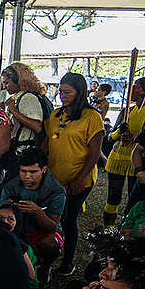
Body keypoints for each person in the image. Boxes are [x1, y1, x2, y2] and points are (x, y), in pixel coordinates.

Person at [46, 72, 104, 276]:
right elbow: (48, 143)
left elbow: (95, 152)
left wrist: (79, 179)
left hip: (79, 180)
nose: (62, 95)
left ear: (80, 92)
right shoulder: (55, 115)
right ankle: (49, 257)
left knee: (69, 219)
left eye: (67, 92)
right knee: (52, 218)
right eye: (61, 91)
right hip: (54, 179)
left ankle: (67, 263)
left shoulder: (92, 116)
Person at [0, 148, 66, 277]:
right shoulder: (10, 185)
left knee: (51, 244)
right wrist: (7, 207)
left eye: (33, 172)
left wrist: (38, 212)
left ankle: (45, 267)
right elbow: (0, 215)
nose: (27, 176)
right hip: (17, 228)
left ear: (44, 169)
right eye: (23, 171)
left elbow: (52, 227)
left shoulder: (56, 191)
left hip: (41, 232)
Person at [104, 77, 145, 226]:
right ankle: (108, 230)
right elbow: (110, 137)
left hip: (137, 161)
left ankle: (127, 230)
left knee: (134, 199)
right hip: (117, 158)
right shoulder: (126, 111)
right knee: (113, 196)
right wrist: (118, 133)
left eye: (136, 87)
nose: (131, 90)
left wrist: (134, 137)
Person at [0, 62, 49, 184]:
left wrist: (14, 112)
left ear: (18, 80)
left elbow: (37, 127)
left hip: (23, 153)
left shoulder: (28, 98)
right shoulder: (19, 97)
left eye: (7, 83)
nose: (5, 87)